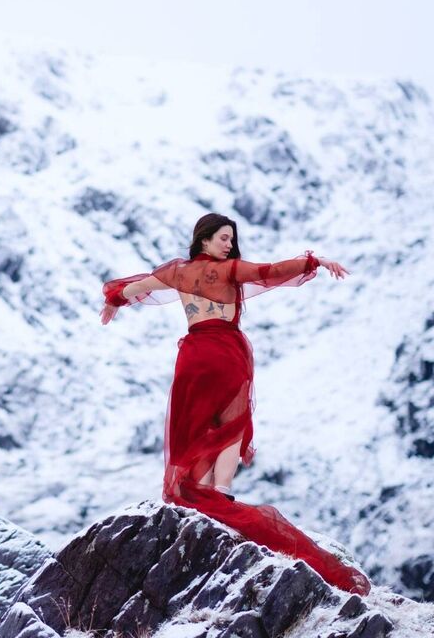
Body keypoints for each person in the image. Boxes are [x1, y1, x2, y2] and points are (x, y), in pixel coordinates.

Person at [100, 212, 371, 595]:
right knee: (232, 421)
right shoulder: (230, 270)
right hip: (226, 350)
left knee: (194, 422)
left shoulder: (177, 272)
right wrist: (315, 261)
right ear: (204, 239)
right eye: (224, 238)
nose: (229, 244)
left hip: (194, 354)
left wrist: (113, 302)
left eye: (231, 239)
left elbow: (135, 288)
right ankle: (221, 490)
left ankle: (200, 490)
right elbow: (271, 270)